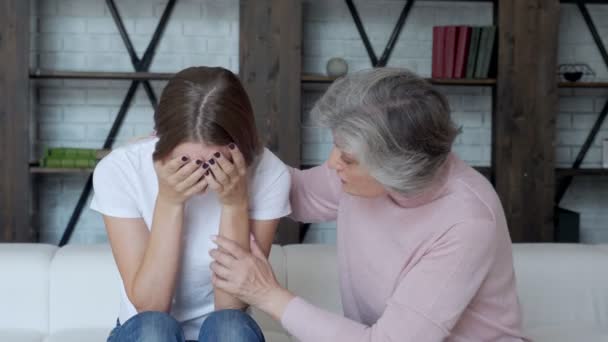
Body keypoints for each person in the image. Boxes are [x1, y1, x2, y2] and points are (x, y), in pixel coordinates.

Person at [208, 68, 528, 341]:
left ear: (396, 170)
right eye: (336, 147)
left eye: (347, 158)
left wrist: (267, 294)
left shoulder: (467, 222)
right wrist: (218, 141)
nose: (333, 163)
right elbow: (292, 192)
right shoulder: (360, 173)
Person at [90, 66, 291, 342]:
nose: (202, 176)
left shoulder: (270, 173)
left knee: (230, 327)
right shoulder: (120, 169)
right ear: (158, 139)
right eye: (185, 162)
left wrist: (235, 204)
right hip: (144, 331)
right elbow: (150, 305)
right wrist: (170, 202)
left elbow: (231, 305)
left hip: (222, 329)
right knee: (154, 329)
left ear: (240, 148)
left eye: (215, 162)